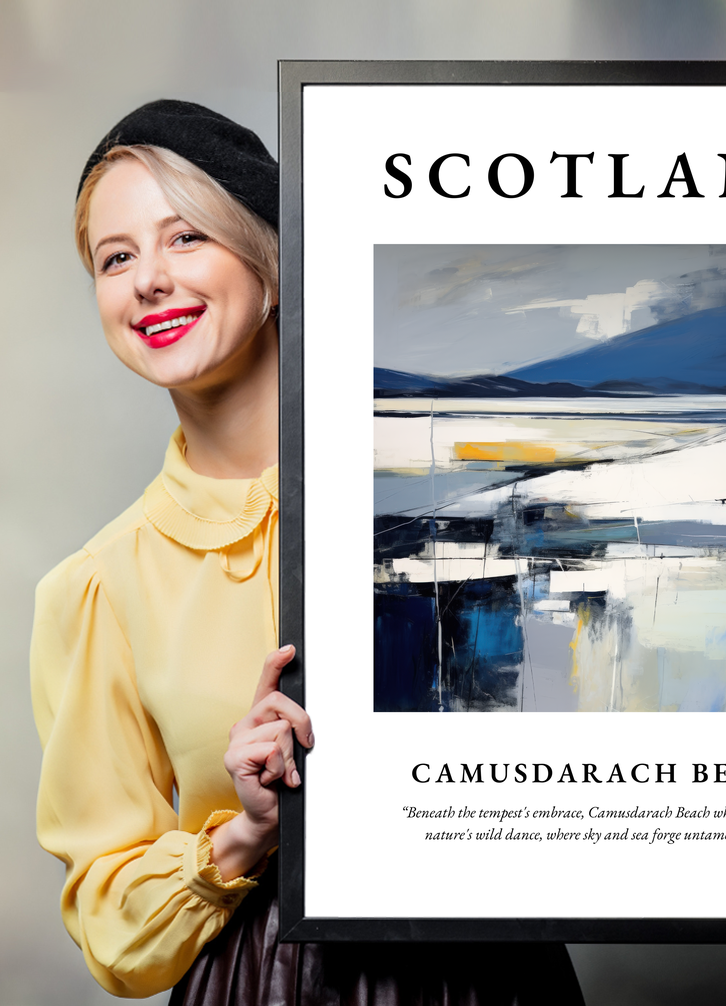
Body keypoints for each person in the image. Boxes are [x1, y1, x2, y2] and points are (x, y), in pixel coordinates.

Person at [30, 100, 585, 1004]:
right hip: (263, 981)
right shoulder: (98, 587)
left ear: (273, 264)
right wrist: (245, 832)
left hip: (490, 972)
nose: (148, 281)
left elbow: (621, 688)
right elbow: (110, 923)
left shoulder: (458, 486)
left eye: (185, 239)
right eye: (116, 257)